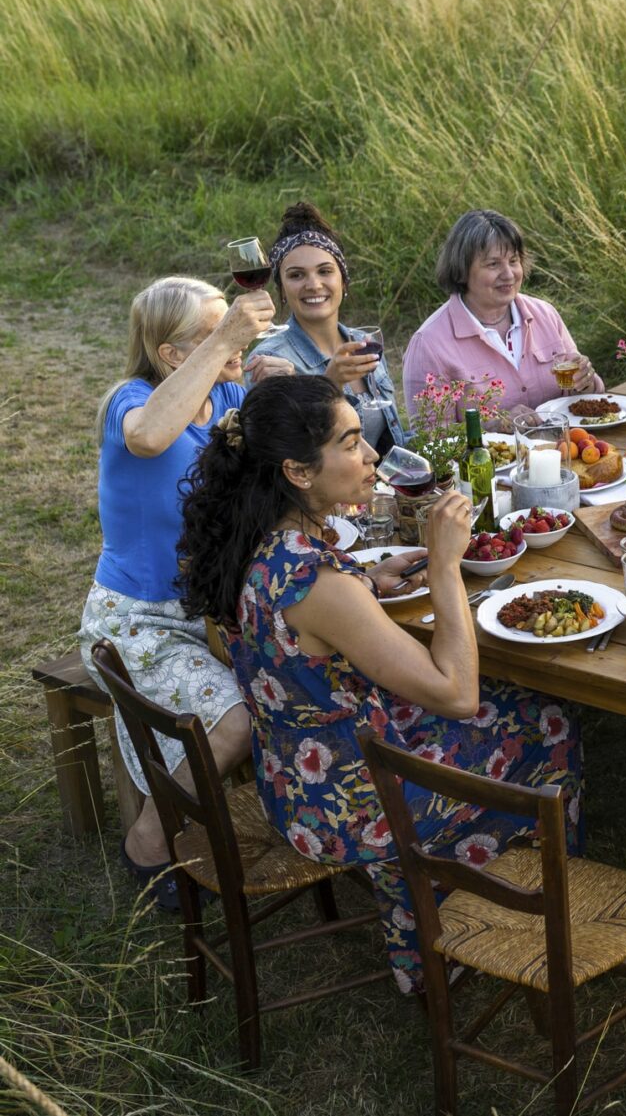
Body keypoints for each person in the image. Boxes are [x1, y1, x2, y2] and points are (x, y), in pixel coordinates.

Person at [177, 375, 582, 993]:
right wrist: (445, 564)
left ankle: (446, 898)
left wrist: (367, 583)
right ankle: (488, 919)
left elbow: (301, 627)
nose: (370, 456)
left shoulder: (251, 542)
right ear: (298, 471)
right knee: (548, 722)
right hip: (355, 805)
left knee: (519, 709)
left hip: (293, 777)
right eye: (350, 444)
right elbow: (457, 694)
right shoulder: (319, 582)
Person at [78, 276, 290, 909]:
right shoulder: (131, 402)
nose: (241, 336)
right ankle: (150, 842)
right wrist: (228, 338)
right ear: (172, 354)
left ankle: (288, 821)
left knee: (308, 679)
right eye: (216, 330)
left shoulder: (225, 392)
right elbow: (151, 436)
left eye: (235, 323)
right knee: (235, 720)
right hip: (137, 619)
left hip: (215, 608)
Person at [247, 201, 411, 455]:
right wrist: (329, 384)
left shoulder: (363, 343)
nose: (313, 284)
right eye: (296, 275)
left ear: (343, 281)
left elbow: (393, 441)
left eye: (325, 271)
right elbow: (286, 454)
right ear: (281, 290)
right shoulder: (271, 360)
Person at [402, 209, 604, 414]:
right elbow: (430, 440)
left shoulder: (546, 315)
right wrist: (495, 427)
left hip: (567, 446)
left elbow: (582, 400)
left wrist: (587, 384)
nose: (508, 274)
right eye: (493, 264)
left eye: (514, 261)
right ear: (462, 270)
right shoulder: (429, 344)